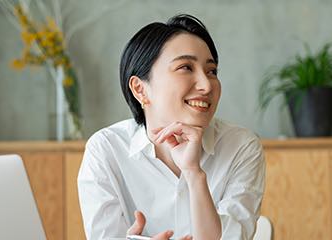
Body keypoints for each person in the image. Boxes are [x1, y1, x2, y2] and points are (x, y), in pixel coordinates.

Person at [78, 14, 265, 240]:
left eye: (212, 71)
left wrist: (194, 174)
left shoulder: (241, 147)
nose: (206, 85)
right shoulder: (106, 150)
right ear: (140, 89)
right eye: (186, 67)